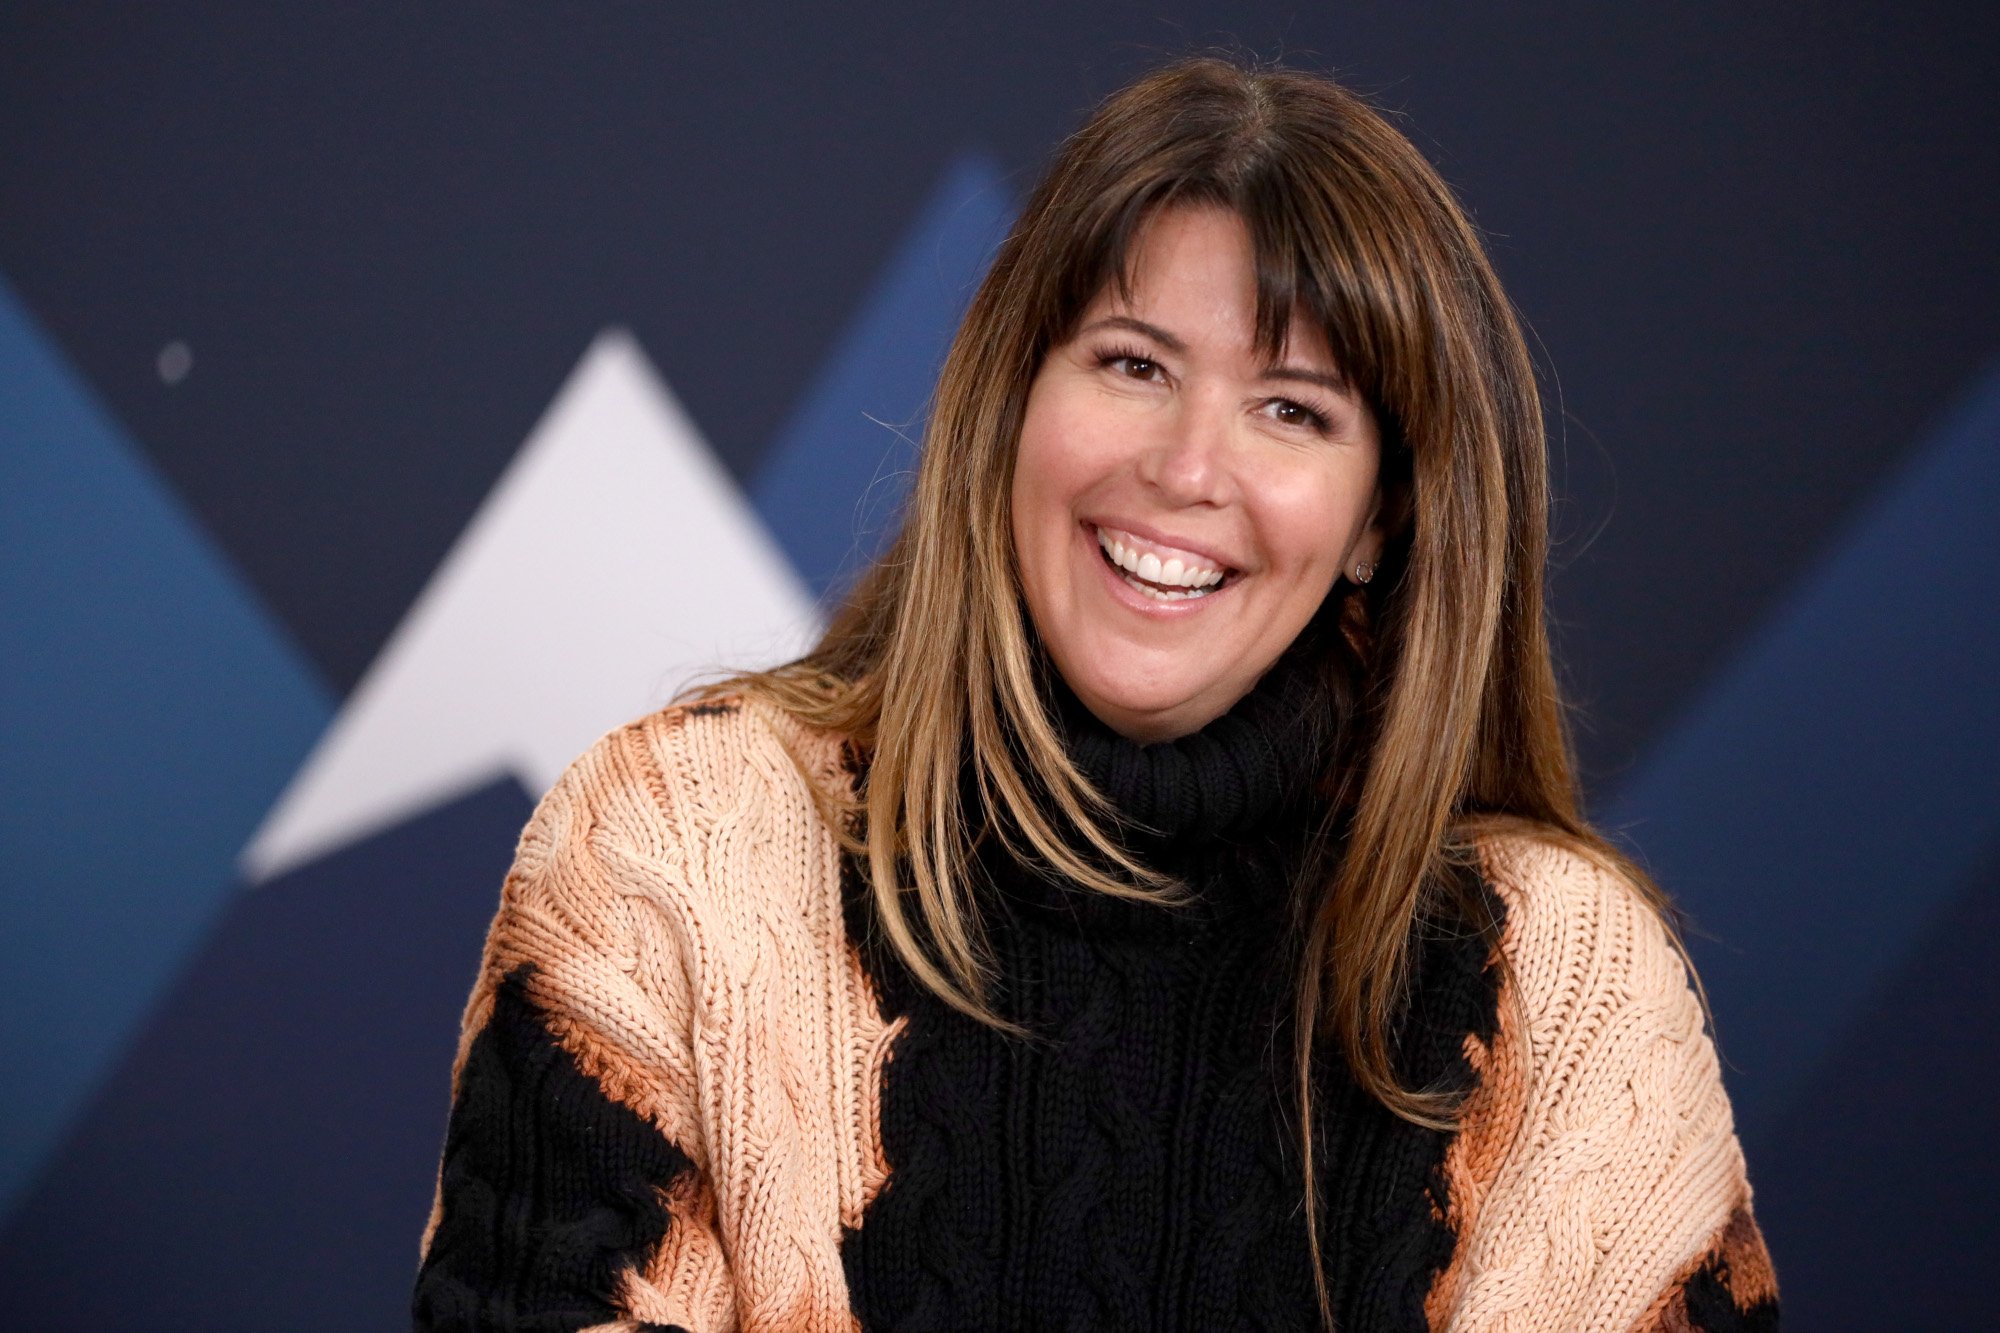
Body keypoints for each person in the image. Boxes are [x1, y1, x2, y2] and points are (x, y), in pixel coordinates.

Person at [411, 56, 1778, 1332]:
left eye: (1294, 408)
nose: (1190, 466)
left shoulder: (1554, 982)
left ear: (1379, 520)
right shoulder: (681, 853)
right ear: (1012, 400)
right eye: (1135, 365)